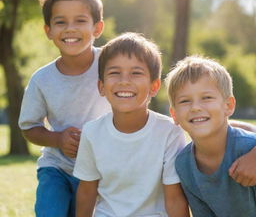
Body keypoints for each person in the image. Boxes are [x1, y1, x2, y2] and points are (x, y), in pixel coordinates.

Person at [18, 0, 111, 217]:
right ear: (48, 30)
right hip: (57, 168)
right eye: (60, 22)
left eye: (80, 20)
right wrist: (58, 139)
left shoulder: (111, 64)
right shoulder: (42, 80)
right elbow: (29, 127)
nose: (70, 28)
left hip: (104, 169)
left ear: (97, 28)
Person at [73, 32, 190, 217]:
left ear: (154, 86)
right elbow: (87, 192)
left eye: (136, 73)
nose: (124, 81)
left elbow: (175, 198)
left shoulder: (169, 132)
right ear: (101, 86)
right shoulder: (92, 132)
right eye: (114, 73)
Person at [165, 55, 256, 217]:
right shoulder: (184, 165)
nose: (195, 107)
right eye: (185, 101)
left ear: (228, 106)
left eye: (206, 98)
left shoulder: (249, 149)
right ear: (174, 115)